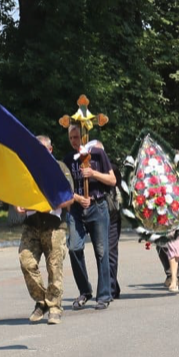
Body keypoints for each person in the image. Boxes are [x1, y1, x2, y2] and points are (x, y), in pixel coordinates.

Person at [16, 136, 75, 325]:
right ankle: (42, 302)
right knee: (26, 262)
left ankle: (55, 307)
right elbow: (17, 192)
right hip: (32, 224)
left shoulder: (59, 168)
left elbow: (69, 198)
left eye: (42, 149)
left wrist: (51, 203)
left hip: (54, 225)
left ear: (50, 150)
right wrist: (18, 203)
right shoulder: (27, 169)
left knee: (54, 266)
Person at [63, 124, 116, 310]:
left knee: (101, 251)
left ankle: (104, 295)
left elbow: (112, 180)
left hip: (98, 206)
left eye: (76, 137)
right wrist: (77, 198)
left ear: (84, 137)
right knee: (73, 248)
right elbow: (65, 188)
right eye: (71, 138)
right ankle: (85, 291)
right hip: (77, 209)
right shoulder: (69, 160)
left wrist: (92, 173)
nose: (74, 141)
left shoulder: (98, 154)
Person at [93, 141, 122, 299]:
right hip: (96, 215)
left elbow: (114, 183)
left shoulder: (112, 168)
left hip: (112, 215)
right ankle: (111, 285)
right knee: (101, 252)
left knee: (110, 252)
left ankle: (110, 288)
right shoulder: (87, 168)